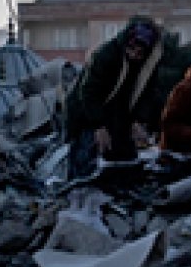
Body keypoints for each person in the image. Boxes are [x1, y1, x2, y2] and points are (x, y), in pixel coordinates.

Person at [64, 17, 166, 178]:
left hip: (119, 114)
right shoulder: (106, 55)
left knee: (125, 162)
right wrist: (98, 126)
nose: (134, 55)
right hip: (87, 113)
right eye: (131, 49)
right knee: (87, 161)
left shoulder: (147, 66)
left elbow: (147, 94)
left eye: (139, 53)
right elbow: (89, 92)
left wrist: (139, 120)